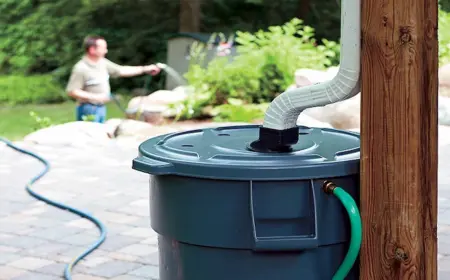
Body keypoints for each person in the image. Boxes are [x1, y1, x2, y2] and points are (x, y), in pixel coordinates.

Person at [66, 35, 161, 123]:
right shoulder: (81, 68)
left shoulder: (102, 63)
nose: (106, 51)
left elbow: (121, 70)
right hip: (88, 109)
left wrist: (145, 69)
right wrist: (96, 97)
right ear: (92, 49)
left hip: (101, 108)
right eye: (103, 48)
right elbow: (72, 91)